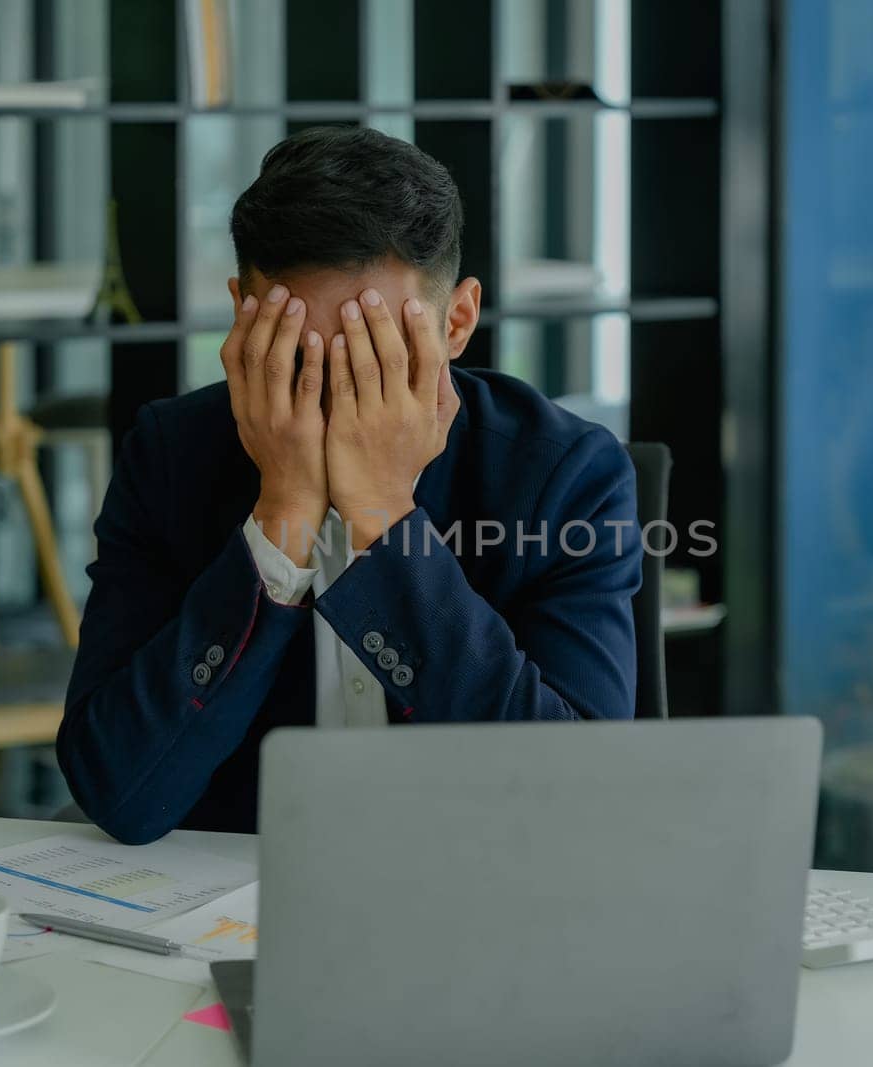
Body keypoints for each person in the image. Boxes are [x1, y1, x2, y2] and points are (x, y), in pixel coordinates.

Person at [58, 126, 641, 844]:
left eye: (374, 355)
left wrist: (385, 517)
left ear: (456, 322)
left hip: (481, 889)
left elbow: (579, 798)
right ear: (244, 314)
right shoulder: (172, 454)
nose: (341, 399)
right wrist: (282, 518)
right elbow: (118, 792)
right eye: (300, 357)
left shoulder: (567, 477)